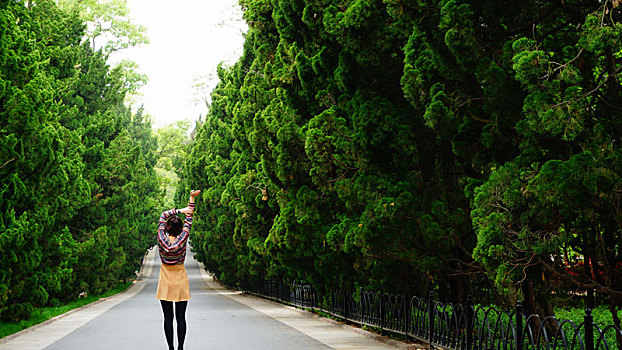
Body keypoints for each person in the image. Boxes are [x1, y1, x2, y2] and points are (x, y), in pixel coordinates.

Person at [156, 189, 201, 350]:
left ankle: (171, 348)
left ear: (167, 228)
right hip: (180, 278)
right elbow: (190, 219)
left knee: (168, 317)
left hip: (165, 280)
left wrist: (179, 211)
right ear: (181, 229)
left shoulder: (161, 237)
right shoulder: (183, 237)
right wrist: (191, 199)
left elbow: (163, 215)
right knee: (181, 317)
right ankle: (181, 347)